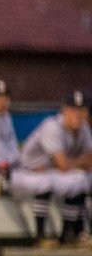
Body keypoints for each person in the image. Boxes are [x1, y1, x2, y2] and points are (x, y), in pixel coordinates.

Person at [16, 90, 92, 244]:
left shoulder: (83, 128)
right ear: (64, 110)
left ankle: (73, 233)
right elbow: (63, 165)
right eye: (73, 110)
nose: (77, 114)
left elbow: (88, 160)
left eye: (81, 110)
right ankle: (40, 235)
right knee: (56, 181)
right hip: (26, 174)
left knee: (82, 179)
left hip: (53, 174)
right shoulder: (52, 126)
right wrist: (80, 161)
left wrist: (78, 163)